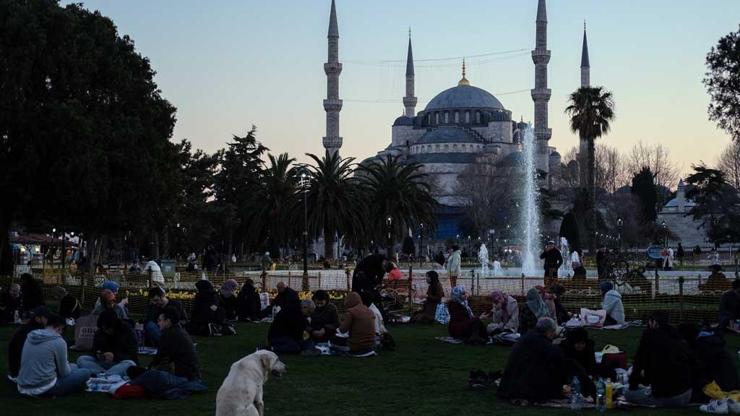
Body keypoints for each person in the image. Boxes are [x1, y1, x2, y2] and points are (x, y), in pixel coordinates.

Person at [498, 317, 594, 403]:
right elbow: (559, 358)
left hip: (510, 384)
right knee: (570, 364)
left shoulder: (529, 337)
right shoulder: (541, 343)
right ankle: (592, 391)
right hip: (524, 388)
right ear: (549, 331)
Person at [16, 313, 93, 396]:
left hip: (22, 385)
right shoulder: (58, 341)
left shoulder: (31, 336)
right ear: (60, 327)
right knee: (85, 372)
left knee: (74, 366)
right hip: (44, 387)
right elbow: (64, 373)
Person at [625, 311, 692, 407]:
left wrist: (633, 385)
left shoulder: (650, 336)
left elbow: (638, 364)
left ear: (654, 322)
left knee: (628, 394)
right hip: (687, 393)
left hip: (668, 396)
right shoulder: (676, 336)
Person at [678, 323, 739, 403]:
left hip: (720, 385)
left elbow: (697, 369)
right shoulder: (711, 342)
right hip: (729, 382)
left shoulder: (702, 346)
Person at [76, 310, 138, 377]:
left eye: (108, 329)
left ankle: (103, 375)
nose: (106, 331)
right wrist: (98, 354)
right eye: (104, 329)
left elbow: (132, 354)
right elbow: (94, 350)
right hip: (103, 364)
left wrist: (114, 357)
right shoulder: (100, 332)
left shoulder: (127, 331)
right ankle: (106, 375)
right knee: (82, 359)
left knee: (130, 364)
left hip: (120, 362)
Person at [149, 306, 201, 381]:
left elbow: (160, 357)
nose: (158, 323)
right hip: (193, 373)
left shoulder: (168, 334)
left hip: (184, 376)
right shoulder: (179, 331)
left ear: (168, 321)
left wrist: (150, 368)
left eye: (160, 320)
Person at [7, 306, 51, 382]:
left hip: (17, 368)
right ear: (37, 318)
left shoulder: (27, 329)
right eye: (46, 317)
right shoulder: (34, 332)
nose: (48, 320)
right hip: (23, 370)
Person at [267, 287, 310, 354]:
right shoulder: (295, 313)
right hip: (278, 337)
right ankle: (271, 348)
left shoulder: (295, 309)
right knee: (295, 347)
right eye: (308, 312)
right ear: (305, 308)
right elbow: (297, 330)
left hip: (280, 336)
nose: (308, 315)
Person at [338, 292, 376, 356]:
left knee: (334, 339)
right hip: (371, 345)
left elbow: (342, 330)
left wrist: (342, 321)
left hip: (357, 346)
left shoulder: (350, 312)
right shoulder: (370, 311)